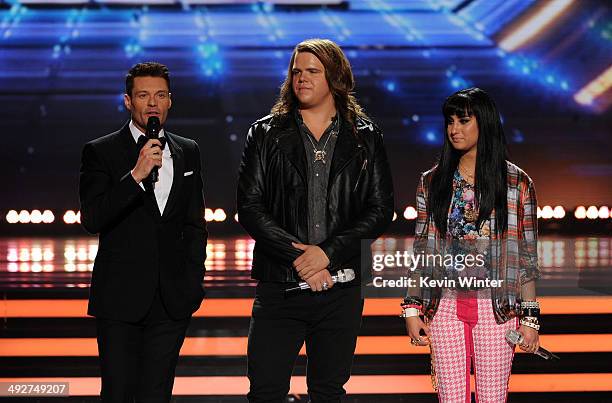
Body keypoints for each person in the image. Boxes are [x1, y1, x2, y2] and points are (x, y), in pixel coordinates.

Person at [237, 38, 394, 402]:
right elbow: (250, 207)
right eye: (296, 72)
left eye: (312, 71)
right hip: (280, 287)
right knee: (265, 391)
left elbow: (379, 209)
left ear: (335, 77)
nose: (302, 79)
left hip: (342, 289)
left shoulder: (366, 137)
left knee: (328, 391)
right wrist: (303, 260)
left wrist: (328, 254)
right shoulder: (264, 134)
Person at [79, 62, 207, 402]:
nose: (152, 103)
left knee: (157, 393)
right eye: (143, 95)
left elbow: (194, 224)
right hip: (120, 299)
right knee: (119, 392)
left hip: (172, 300)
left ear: (170, 101)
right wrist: (135, 175)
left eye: (160, 95)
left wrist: (194, 280)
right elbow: (93, 218)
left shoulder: (188, 150)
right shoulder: (100, 151)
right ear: (127, 101)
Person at [403, 87, 541, 402]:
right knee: (451, 397)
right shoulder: (432, 182)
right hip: (445, 305)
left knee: (493, 397)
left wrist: (531, 319)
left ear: (485, 123)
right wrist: (412, 307)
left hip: (499, 309)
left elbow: (527, 257)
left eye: (464, 120)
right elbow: (423, 249)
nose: (454, 129)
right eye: (450, 121)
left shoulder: (518, 184)